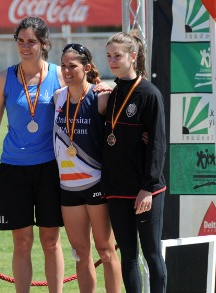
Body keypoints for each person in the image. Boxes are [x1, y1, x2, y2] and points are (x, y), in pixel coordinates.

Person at [0, 17, 65, 293]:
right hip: (13, 169)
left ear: (44, 44)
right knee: (22, 241)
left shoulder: (59, 75)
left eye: (32, 41)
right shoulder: (3, 78)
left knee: (51, 240)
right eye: (21, 41)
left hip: (50, 168)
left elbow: (84, 100)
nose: (25, 47)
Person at [53, 43, 122, 293]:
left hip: (96, 183)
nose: (67, 70)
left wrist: (111, 86)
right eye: (63, 65)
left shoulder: (101, 97)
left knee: (105, 250)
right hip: (68, 187)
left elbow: (134, 98)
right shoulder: (58, 97)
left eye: (73, 65)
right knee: (81, 253)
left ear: (87, 68)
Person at [101, 31, 167, 293]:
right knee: (127, 256)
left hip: (144, 190)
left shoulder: (149, 93)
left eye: (118, 55)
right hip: (117, 189)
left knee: (152, 255)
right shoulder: (113, 93)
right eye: (109, 56)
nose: (113, 61)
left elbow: (158, 144)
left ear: (133, 56)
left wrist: (148, 187)